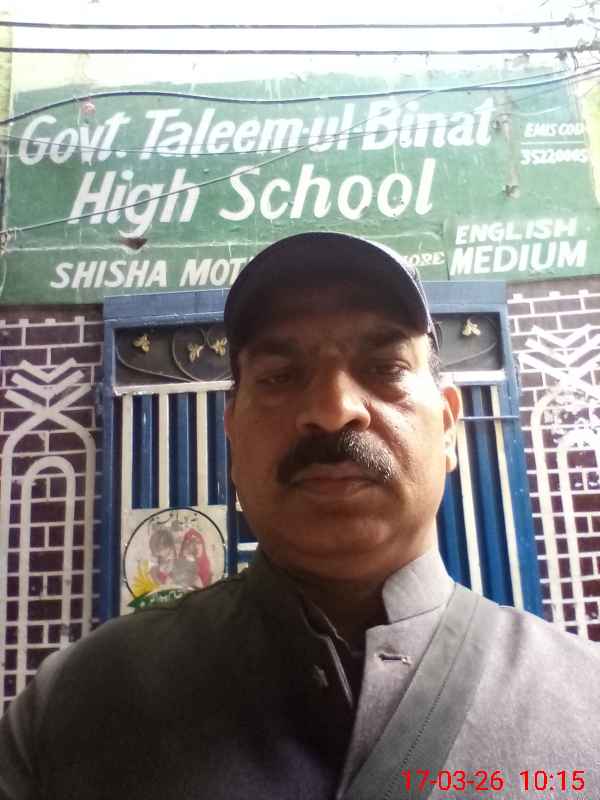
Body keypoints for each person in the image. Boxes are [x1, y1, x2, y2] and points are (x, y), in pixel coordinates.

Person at [0, 231, 598, 800]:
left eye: (385, 369)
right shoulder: (72, 707)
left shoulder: (585, 704)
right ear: (232, 436)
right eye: (281, 376)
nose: (333, 411)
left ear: (446, 428)